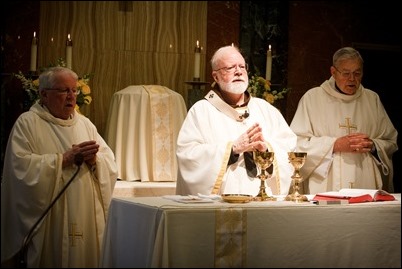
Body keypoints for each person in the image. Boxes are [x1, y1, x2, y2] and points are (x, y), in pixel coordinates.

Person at [1, 67, 118, 267]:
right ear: (44, 94)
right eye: (64, 91)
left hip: (85, 210)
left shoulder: (85, 124)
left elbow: (109, 162)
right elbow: (19, 169)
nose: (71, 96)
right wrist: (62, 159)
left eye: (74, 90)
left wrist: (94, 161)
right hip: (50, 215)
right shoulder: (28, 123)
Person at [176, 45, 297, 196]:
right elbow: (188, 155)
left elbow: (289, 148)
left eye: (242, 66)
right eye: (230, 68)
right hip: (221, 203)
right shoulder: (201, 111)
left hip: (262, 199)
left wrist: (266, 150)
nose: (239, 71)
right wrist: (232, 149)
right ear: (215, 77)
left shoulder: (266, 110)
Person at [290, 47, 398, 194]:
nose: (352, 79)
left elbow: (390, 141)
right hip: (326, 183)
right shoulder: (312, 98)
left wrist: (373, 145)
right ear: (333, 72)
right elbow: (296, 145)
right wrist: (334, 145)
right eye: (346, 73)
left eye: (357, 73)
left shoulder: (371, 99)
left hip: (365, 181)